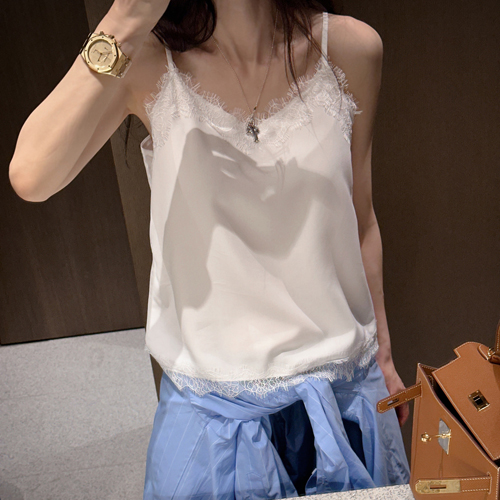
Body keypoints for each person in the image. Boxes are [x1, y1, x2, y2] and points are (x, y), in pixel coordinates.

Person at [9, 0, 411, 498]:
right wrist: (126, 20)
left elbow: (361, 219)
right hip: (212, 417)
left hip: (343, 400)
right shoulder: (146, 62)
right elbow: (32, 176)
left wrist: (384, 356)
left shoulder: (350, 49)